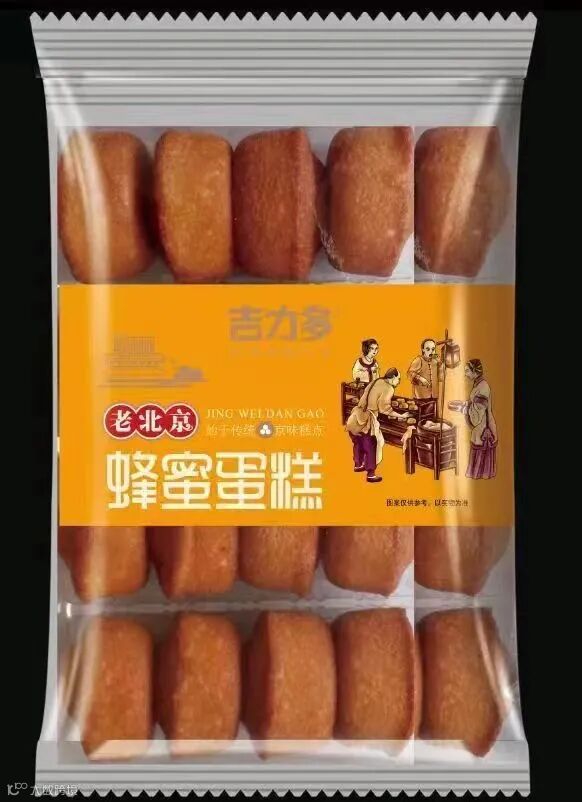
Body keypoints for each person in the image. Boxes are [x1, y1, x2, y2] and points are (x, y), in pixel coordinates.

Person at [345, 368, 409, 483]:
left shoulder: (377, 381)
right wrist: (402, 415)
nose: (398, 381)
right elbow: (385, 408)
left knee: (358, 441)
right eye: (398, 379)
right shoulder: (388, 388)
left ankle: (358, 465)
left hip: (357, 414)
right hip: (368, 418)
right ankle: (371, 474)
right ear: (392, 378)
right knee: (372, 445)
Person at [449, 359, 498, 480]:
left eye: (467, 371)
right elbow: (475, 404)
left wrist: (463, 409)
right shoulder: (479, 384)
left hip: (483, 431)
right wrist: (465, 404)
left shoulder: (483, 387)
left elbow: (476, 416)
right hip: (480, 429)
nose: (465, 374)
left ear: (474, 371)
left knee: (480, 470)